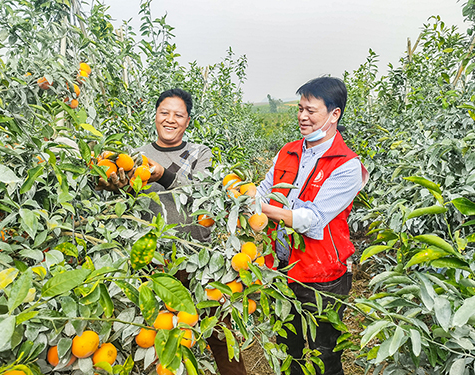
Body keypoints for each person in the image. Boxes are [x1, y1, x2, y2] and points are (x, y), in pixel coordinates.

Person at [97, 88, 247, 375]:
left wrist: (163, 175)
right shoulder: (136, 156)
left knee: (218, 329)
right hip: (154, 260)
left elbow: (202, 192)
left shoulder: (200, 153)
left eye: (178, 115)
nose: (170, 120)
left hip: (198, 258)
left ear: (188, 121)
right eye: (164, 113)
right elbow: (128, 206)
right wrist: (112, 186)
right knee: (158, 331)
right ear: (155, 115)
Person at [256, 77, 368, 375]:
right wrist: (241, 195)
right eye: (300, 108)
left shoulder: (346, 165)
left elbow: (312, 218)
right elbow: (263, 188)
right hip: (281, 267)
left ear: (334, 115)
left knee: (324, 355)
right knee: (287, 350)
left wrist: (262, 210)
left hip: (323, 275)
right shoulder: (288, 151)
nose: (302, 116)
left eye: (311, 110)